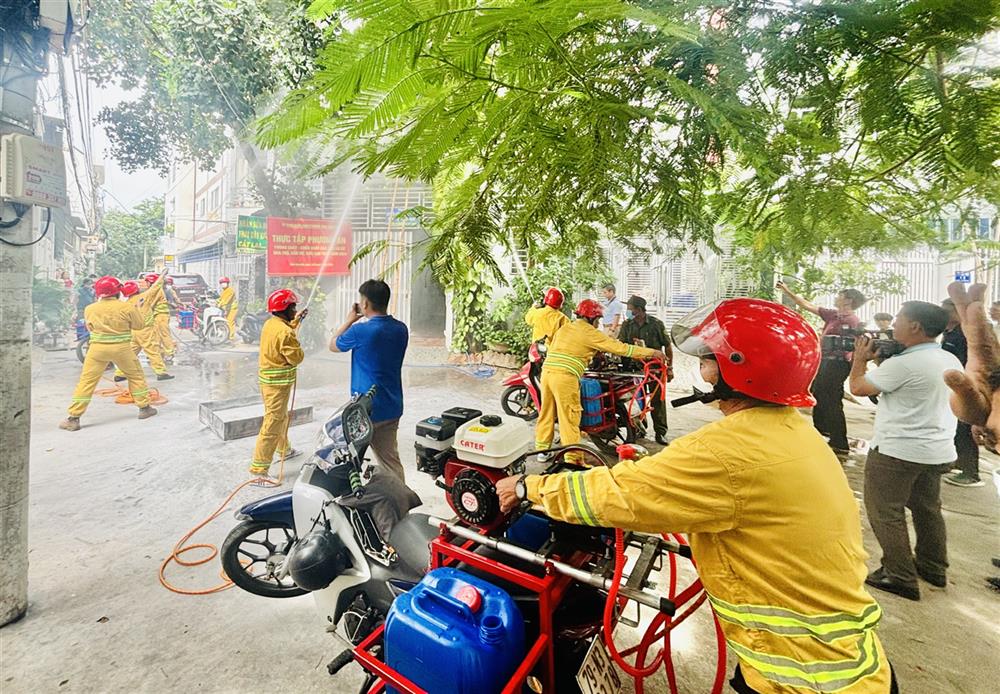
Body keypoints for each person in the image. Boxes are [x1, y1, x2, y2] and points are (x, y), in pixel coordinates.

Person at [497, 298, 895, 694]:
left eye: (708, 357)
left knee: (559, 426)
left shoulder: (728, 450)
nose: (703, 366)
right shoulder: (794, 432)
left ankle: (563, 456)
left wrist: (527, 487)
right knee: (560, 426)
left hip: (801, 681)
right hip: (841, 665)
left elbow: (621, 494)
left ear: (737, 368)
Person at [848, 301, 962, 601]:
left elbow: (858, 388)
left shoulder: (905, 363)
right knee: (927, 509)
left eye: (899, 318)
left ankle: (899, 575)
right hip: (936, 450)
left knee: (885, 512)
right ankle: (933, 568)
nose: (893, 323)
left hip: (898, 452)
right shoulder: (947, 357)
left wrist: (859, 359)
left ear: (915, 326)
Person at [534, 299, 665, 463]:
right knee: (570, 418)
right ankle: (573, 459)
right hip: (565, 377)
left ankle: (542, 451)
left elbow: (568, 347)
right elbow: (620, 348)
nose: (598, 323)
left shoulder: (566, 327)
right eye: (597, 320)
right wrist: (652, 353)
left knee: (547, 412)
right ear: (591, 318)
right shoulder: (590, 332)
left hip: (547, 373)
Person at [330, 279, 409, 481]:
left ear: (365, 304)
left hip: (364, 411)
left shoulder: (360, 331)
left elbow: (333, 345)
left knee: (349, 462)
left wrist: (349, 320)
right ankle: (399, 500)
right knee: (390, 461)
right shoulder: (401, 329)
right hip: (392, 406)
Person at [777, 281, 867, 455]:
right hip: (824, 361)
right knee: (818, 394)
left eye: (840, 295)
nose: (836, 297)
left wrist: (858, 366)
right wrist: (787, 290)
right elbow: (806, 305)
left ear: (848, 300)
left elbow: (857, 345)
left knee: (831, 399)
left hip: (838, 363)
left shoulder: (853, 321)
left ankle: (839, 441)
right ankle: (821, 431)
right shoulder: (833, 315)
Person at [59, 276, 158, 431]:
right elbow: (139, 326)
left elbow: (90, 328)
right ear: (118, 292)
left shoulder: (90, 309)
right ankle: (144, 408)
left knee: (86, 382)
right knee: (135, 377)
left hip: (97, 350)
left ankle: (73, 418)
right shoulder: (127, 307)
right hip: (122, 349)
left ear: (98, 293)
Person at [250, 288, 307, 483]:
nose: (295, 310)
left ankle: (284, 449)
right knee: (273, 423)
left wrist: (297, 321)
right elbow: (296, 357)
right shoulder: (285, 332)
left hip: (269, 384)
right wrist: (298, 344)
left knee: (280, 417)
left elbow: (286, 330)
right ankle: (259, 469)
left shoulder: (271, 324)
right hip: (278, 385)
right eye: (293, 307)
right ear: (285, 308)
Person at [617, 295, 673, 445]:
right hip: (634, 370)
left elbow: (667, 346)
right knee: (635, 400)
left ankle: (661, 433)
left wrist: (670, 368)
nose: (628, 311)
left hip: (655, 369)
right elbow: (620, 345)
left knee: (657, 401)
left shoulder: (656, 324)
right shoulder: (627, 325)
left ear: (639, 309)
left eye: (630, 308)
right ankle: (641, 427)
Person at [939, 299, 983, 488]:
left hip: (966, 387)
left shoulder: (964, 334)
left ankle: (971, 473)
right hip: (953, 386)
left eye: (948, 310)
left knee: (965, 430)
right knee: (955, 428)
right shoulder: (948, 333)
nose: (945, 314)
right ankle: (958, 462)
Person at [113, 280, 173, 382]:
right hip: (146, 331)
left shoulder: (126, 304)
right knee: (153, 352)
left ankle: (120, 374)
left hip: (133, 332)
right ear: (136, 289)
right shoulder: (144, 297)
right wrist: (162, 275)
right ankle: (161, 373)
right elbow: (155, 287)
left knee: (130, 353)